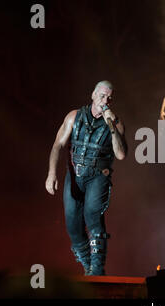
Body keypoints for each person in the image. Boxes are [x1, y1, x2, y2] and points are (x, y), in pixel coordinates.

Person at [45, 80, 126, 276]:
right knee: (73, 225)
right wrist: (52, 173)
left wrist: (112, 125)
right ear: (93, 95)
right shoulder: (74, 117)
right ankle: (89, 267)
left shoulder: (114, 123)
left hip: (98, 176)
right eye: (102, 96)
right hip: (74, 175)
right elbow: (58, 145)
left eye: (108, 97)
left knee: (92, 215)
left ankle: (97, 271)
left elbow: (121, 154)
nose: (104, 100)